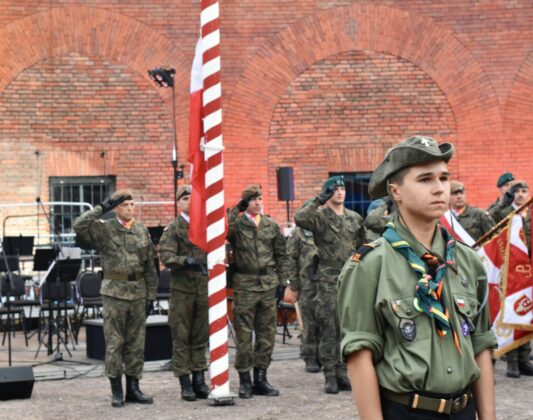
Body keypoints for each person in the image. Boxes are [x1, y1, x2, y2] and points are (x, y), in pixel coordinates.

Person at [338, 136, 497, 420]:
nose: (439, 188)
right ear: (395, 191)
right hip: (407, 411)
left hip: (463, 409)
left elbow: (481, 344)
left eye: (444, 178)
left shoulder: (467, 261)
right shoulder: (369, 265)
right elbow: (359, 355)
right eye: (425, 179)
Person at [73, 189, 157, 408]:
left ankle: (133, 388)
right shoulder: (105, 229)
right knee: (114, 344)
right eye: (125, 205)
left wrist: (152, 296)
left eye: (132, 205)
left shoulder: (141, 230)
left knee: (136, 344)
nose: (130, 208)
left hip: (138, 293)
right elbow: (79, 226)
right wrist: (103, 206)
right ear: (117, 208)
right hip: (114, 293)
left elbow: (150, 266)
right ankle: (116, 391)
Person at [291, 176, 366, 394]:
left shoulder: (354, 218)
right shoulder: (320, 217)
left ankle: (343, 372)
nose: (340, 192)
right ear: (327, 193)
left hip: (349, 277)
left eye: (343, 188)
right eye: (335, 189)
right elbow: (300, 217)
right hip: (327, 277)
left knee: (346, 328)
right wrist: (318, 200)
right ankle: (330, 375)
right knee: (329, 327)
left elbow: (362, 246)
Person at [227, 185, 289, 399]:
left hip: (268, 284)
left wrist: (282, 282)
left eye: (259, 198)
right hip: (245, 283)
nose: (257, 202)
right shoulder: (237, 225)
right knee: (244, 335)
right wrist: (237, 208)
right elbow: (221, 229)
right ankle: (245, 380)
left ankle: (260, 378)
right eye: (252, 199)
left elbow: (281, 254)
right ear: (246, 203)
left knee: (266, 333)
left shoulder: (271, 225)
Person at [159, 185, 210, 401]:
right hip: (183, 290)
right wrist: (184, 260)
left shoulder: (206, 227)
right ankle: (185, 383)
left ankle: (199, 380)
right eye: (186, 198)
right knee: (182, 337)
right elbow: (165, 255)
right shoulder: (174, 228)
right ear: (179, 203)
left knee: (200, 336)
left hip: (203, 288)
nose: (190, 202)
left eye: (193, 198)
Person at [502, 180, 533, 378]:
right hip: (510, 272)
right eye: (517, 191)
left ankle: (524, 359)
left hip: (529, 270)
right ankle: (512, 362)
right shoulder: (504, 213)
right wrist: (502, 202)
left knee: (527, 312)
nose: (521, 194)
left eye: (524, 191)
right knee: (512, 314)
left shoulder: (529, 215)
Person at [285, 225, 321, 373]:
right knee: (309, 323)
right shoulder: (298, 233)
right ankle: (310, 356)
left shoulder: (324, 228)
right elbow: (291, 259)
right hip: (307, 284)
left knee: (328, 322)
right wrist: (294, 285)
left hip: (326, 282)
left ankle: (326, 356)